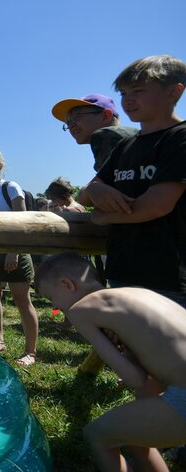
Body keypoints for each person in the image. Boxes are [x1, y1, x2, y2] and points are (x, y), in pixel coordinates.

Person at [36, 252, 186, 471]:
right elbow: (150, 386)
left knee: (96, 434)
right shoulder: (134, 293)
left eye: (51, 298)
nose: (55, 307)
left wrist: (124, 357)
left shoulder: (81, 310)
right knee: (135, 436)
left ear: (67, 285)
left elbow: (135, 378)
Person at [80, 55, 186, 307]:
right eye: (124, 93)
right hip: (122, 270)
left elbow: (156, 206)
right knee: (127, 346)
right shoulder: (127, 145)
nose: (128, 100)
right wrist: (98, 190)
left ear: (174, 91)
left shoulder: (179, 138)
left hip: (169, 277)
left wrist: (101, 216)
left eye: (138, 91)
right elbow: (86, 193)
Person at [0, 150, 39, 366]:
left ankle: (31, 351)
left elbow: (21, 222)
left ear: (0, 165)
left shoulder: (10, 187)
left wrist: (14, 251)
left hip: (12, 251)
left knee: (22, 299)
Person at [51, 93, 138, 172]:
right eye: (68, 122)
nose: (71, 125)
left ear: (106, 116)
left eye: (77, 117)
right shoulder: (131, 137)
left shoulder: (107, 136)